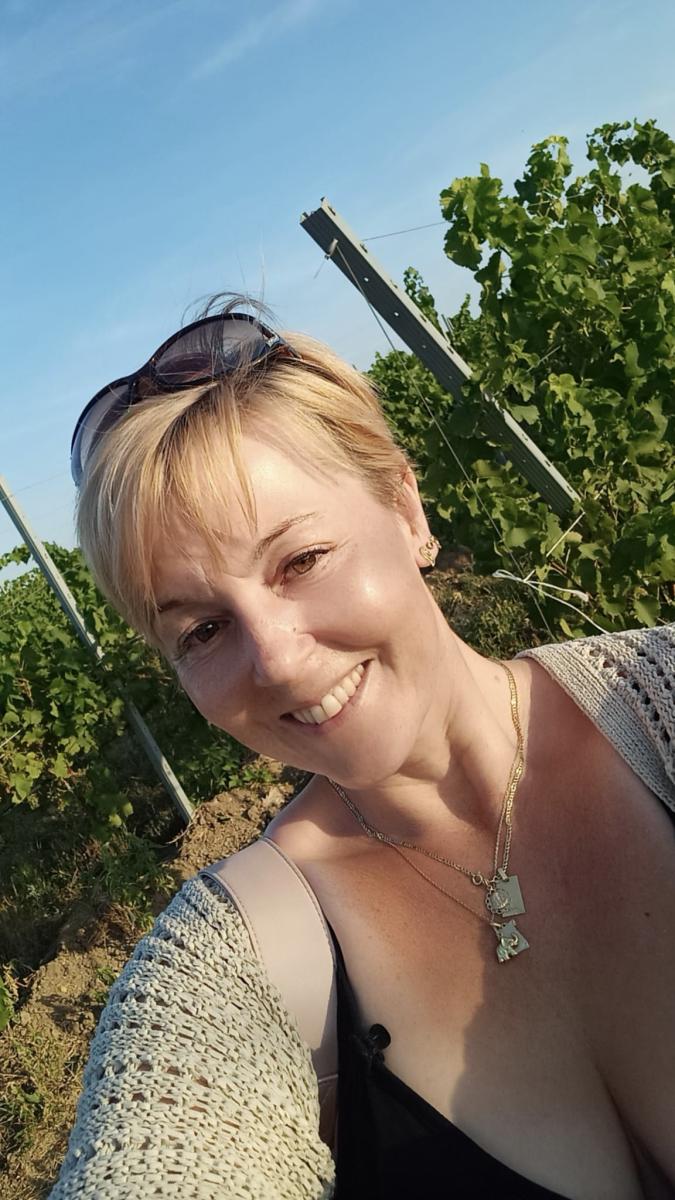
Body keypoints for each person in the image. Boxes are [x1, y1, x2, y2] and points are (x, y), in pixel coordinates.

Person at [50, 296, 674, 1199]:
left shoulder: (657, 697)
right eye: (203, 630)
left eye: (300, 561)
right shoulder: (231, 965)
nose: (277, 660)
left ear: (405, 507)